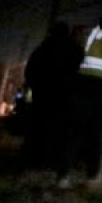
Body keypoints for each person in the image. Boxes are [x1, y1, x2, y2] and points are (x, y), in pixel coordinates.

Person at [56, 10, 102, 188]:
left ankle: (62, 177)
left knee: (74, 134)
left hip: (82, 86)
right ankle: (94, 177)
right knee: (100, 136)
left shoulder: (89, 36)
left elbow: (75, 54)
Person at [22, 22, 79, 167]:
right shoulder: (74, 49)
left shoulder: (42, 49)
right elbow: (81, 73)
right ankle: (56, 159)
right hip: (65, 96)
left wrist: (36, 86)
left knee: (39, 127)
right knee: (61, 129)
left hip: (43, 95)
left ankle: (35, 157)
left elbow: (30, 72)